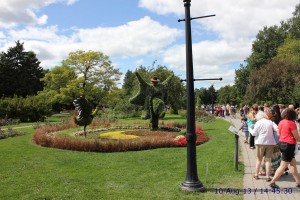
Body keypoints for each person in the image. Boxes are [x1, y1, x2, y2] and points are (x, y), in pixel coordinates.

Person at [269, 108, 300, 189]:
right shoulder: (292, 123)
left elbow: (279, 134)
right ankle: (272, 182)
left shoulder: (281, 122)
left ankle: (298, 182)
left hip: (282, 144)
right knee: (283, 165)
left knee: (293, 164)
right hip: (289, 145)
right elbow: (297, 137)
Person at [250, 108, 278, 182]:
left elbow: (254, 133)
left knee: (259, 159)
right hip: (270, 142)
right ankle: (268, 176)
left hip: (260, 142)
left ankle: (256, 174)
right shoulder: (270, 122)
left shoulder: (258, 123)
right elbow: (277, 129)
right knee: (268, 160)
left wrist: (250, 129)